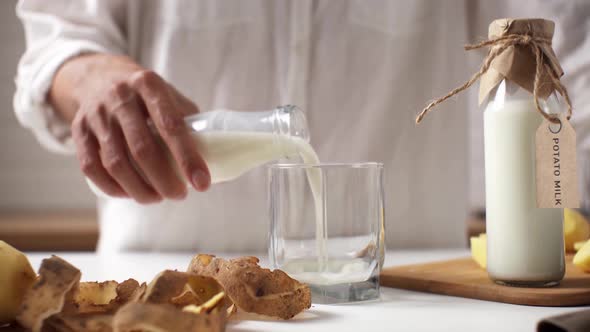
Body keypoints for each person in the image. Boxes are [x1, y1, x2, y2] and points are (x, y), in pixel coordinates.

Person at [14, 0, 590, 252]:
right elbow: (59, 36)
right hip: (163, 278)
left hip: (407, 290)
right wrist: (88, 78)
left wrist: (561, 213)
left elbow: (564, 53)